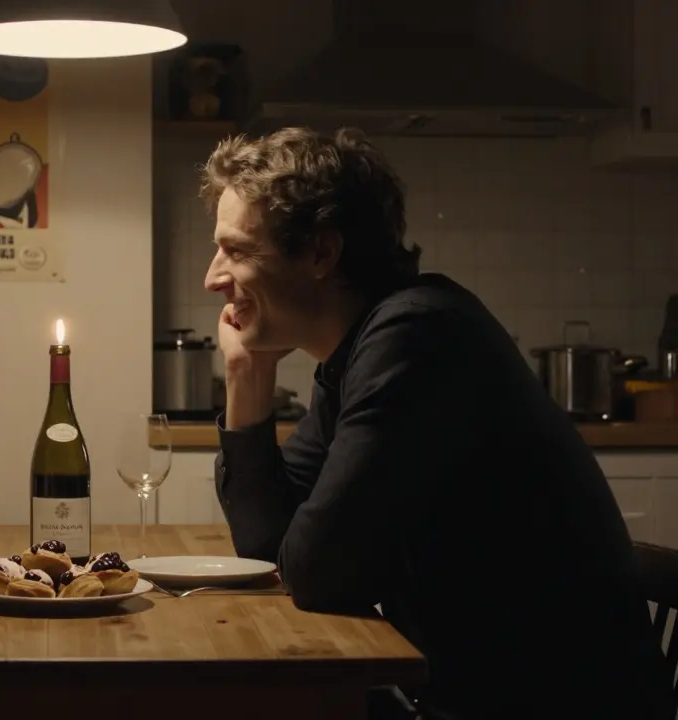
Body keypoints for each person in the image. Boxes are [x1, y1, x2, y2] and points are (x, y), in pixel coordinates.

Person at [201, 127, 669, 719]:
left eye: (237, 250)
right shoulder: (360, 349)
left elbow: (319, 575)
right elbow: (270, 552)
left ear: (321, 253)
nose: (213, 278)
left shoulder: (416, 337)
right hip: (457, 691)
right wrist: (246, 373)